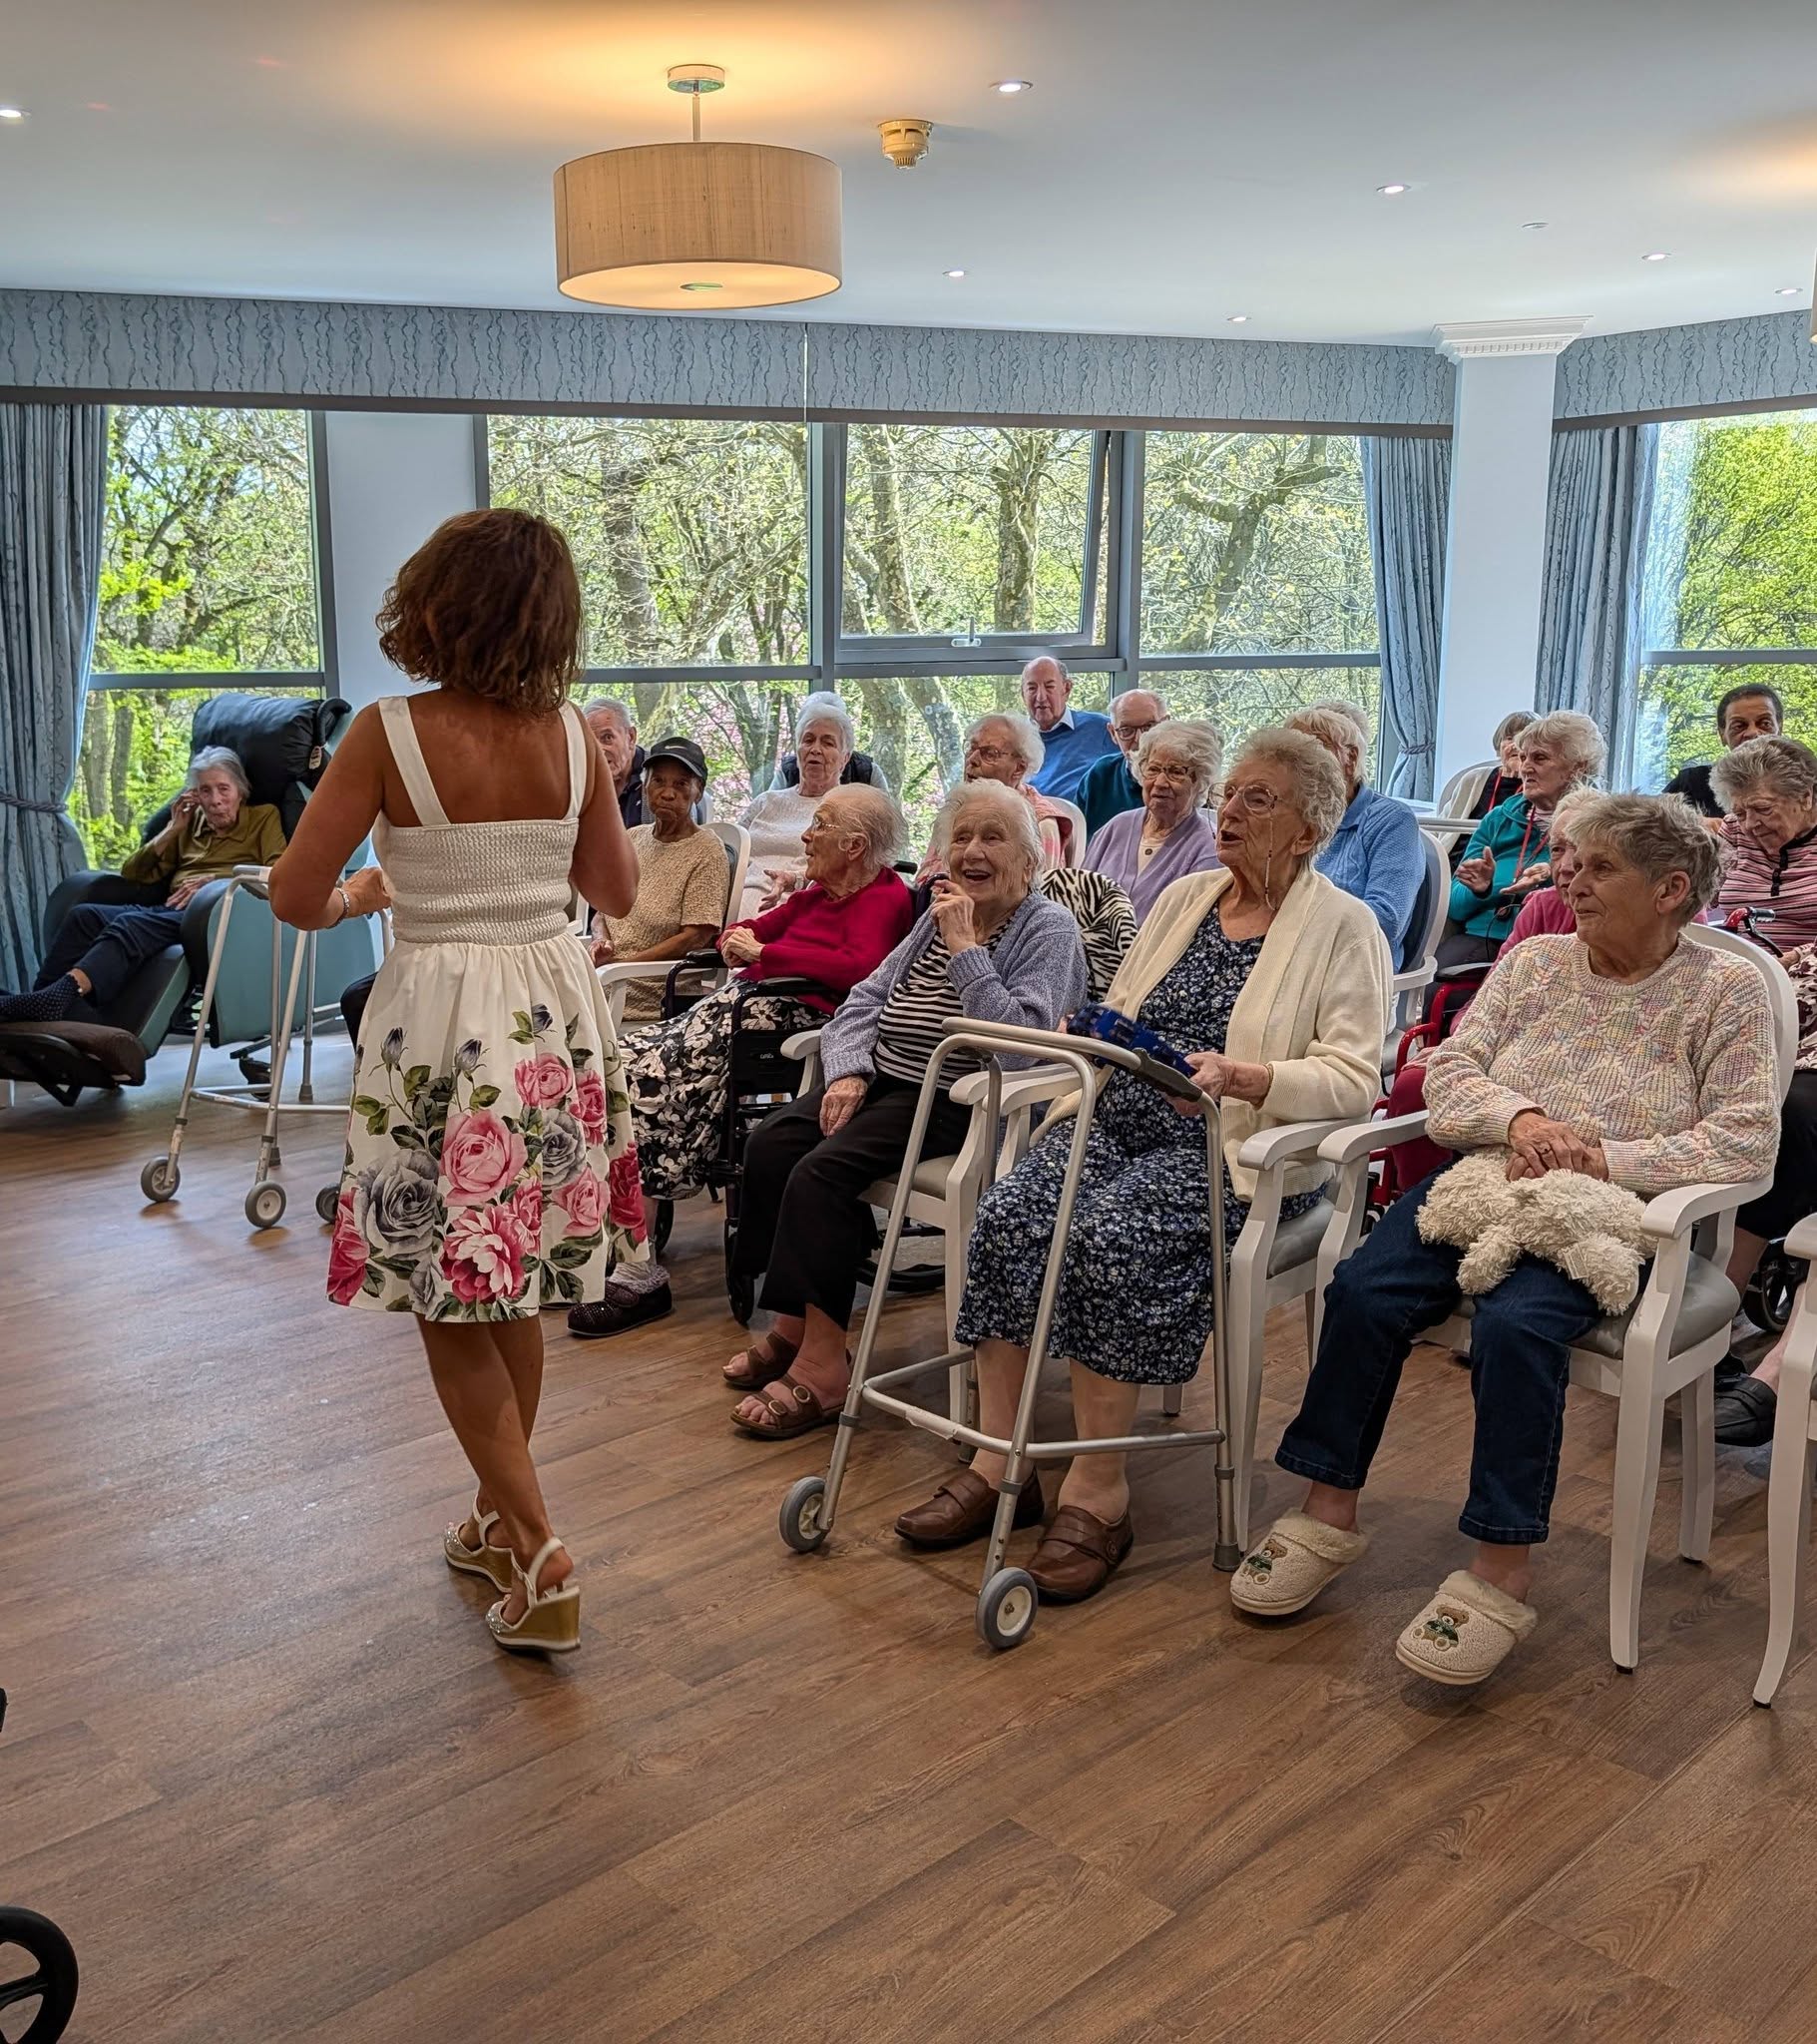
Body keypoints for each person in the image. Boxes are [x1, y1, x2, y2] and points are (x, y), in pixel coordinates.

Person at [1237, 793, 1780, 1688]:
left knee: (1516, 1325)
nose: (1570, 880)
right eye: (1571, 863)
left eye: (1599, 868)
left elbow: (1743, 1139)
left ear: (1670, 889)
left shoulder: (1724, 989)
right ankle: (1324, 1510)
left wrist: (1600, 1158)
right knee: (1363, 1291)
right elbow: (1448, 1069)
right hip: (1485, 1179)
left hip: (1610, 1210)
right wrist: (1522, 1119)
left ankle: (1499, 1565)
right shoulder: (1533, 961)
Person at [267, 507, 644, 1659]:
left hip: (438, 1022)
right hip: (549, 1013)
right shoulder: (574, 733)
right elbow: (616, 890)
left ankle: (535, 1545)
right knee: (511, 1281)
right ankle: (495, 1520)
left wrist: (363, 894)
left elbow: (295, 892)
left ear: (437, 603)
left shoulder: (387, 732)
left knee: (449, 1289)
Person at [910, 729, 1385, 1598]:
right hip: (1116, 1113)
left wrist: (1249, 1076)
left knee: (1108, 1234)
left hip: (1229, 1146)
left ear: (1309, 831)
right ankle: (997, 1461)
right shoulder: (1187, 898)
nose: (1227, 811)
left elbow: (1356, 1079)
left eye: (1256, 799)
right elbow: (1124, 1007)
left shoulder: (1344, 927)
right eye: (1230, 793)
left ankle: (1098, 1491)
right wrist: (1089, 1033)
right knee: (1009, 1215)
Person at [722, 779, 1086, 1438]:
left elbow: (1020, 1047)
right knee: (771, 1145)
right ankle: (794, 1327)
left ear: (1030, 860)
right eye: (961, 837)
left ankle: (823, 1370)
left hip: (962, 1099)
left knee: (822, 1173)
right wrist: (848, 1072)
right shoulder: (936, 916)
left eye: (993, 837)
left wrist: (967, 952)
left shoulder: (1047, 929)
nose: (972, 851)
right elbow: (865, 997)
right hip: (886, 1080)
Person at [568, 785, 915, 1339]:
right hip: (736, 1009)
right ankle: (613, 1244)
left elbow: (862, 967)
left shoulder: (885, 899)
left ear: (853, 846)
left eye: (820, 825)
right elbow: (747, 932)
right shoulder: (815, 896)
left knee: (642, 1080)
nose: (806, 835)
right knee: (616, 1069)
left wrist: (766, 954)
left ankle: (639, 1271)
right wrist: (744, 940)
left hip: (783, 1025)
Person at [1, 747, 287, 1025]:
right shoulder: (188, 824)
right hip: (171, 910)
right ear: (195, 795)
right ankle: (35, 1006)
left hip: (217, 916)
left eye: (224, 789)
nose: (215, 800)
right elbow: (135, 873)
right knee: (84, 916)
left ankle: (58, 996)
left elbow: (275, 874)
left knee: (129, 925)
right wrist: (173, 829)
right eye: (205, 790)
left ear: (241, 791)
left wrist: (216, 881)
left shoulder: (264, 817)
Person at [1442, 710, 1605, 972]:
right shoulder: (1498, 819)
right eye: (1522, 757)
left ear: (1578, 767)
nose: (1525, 768)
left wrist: (1547, 879)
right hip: (1485, 937)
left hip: (1559, 942)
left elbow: (1608, 894)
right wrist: (1482, 889)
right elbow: (1455, 907)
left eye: (1539, 758)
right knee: (1431, 986)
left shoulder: (1602, 824)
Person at [593, 736, 730, 1020]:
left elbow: (695, 938)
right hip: (607, 975)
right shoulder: (633, 837)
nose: (667, 793)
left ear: (698, 792)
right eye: (658, 781)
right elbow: (602, 911)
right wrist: (601, 943)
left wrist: (621, 966)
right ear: (645, 787)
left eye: (681, 784)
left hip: (654, 990)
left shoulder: (707, 851)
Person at [1285, 704, 1425, 969]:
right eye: (1290, 755)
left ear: (1350, 758)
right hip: (1283, 953)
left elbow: (1386, 920)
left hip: (1350, 967)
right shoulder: (1288, 815)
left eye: (1313, 750)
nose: (1297, 764)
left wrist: (1289, 920)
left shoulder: (1392, 820)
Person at [1083, 720, 1223, 921]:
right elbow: (1077, 895)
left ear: (1200, 780)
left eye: (1176, 772)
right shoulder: (1116, 827)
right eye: (1153, 769)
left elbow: (1191, 926)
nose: (1160, 782)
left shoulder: (1209, 850)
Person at [735, 692, 857, 913]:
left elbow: (850, 876)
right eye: (808, 740)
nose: (815, 749)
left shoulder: (851, 810)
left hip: (800, 916)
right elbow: (729, 854)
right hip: (735, 912)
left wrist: (795, 879)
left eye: (828, 742)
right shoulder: (766, 802)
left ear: (845, 757)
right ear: (797, 750)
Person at [918, 713, 1072, 878]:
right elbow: (924, 876)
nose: (972, 760)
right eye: (971, 748)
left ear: (1019, 768)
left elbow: (1039, 890)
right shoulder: (955, 808)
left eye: (990, 754)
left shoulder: (1041, 824)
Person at [1702, 735, 1817, 952]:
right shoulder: (1734, 831)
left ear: (1805, 797)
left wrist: (1793, 961)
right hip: (1739, 965)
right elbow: (1694, 899)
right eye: (1740, 813)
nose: (1750, 824)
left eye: (1763, 809)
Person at [1664, 683, 1784, 820]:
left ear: (1779, 729)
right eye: (1739, 726)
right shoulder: (1692, 783)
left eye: (1765, 724)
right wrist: (1696, 823)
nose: (1752, 732)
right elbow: (1649, 820)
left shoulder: (1804, 781)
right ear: (1722, 735)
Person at [1021, 653, 1117, 801]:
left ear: (1066, 689)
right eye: (1032, 688)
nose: (1040, 697)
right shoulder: (1013, 737)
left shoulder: (1101, 729)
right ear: (1023, 694)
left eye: (1049, 687)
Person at [1075, 690, 1166, 839]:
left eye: (1149, 727)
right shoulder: (1100, 775)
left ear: (1166, 724)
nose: (1140, 739)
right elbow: (1075, 838)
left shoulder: (1186, 777)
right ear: (1113, 733)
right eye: (1126, 730)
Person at [1463, 712, 1538, 824]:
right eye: (1509, 738)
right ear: (1499, 744)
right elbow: (1444, 825)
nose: (1515, 746)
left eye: (1524, 739)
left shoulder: (1542, 785)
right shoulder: (1474, 778)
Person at [585, 697, 647, 829]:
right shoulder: (582, 781)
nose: (598, 751)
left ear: (631, 737)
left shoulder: (658, 774)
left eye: (607, 737)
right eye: (590, 742)